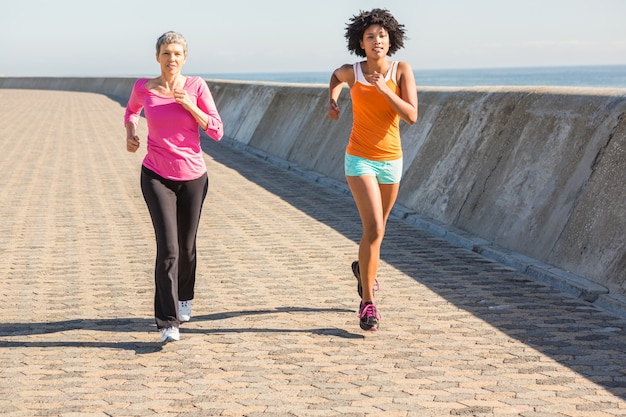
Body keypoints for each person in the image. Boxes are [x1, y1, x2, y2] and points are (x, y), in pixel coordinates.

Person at [124, 31, 224, 343]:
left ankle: (184, 297)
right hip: (156, 174)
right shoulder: (145, 87)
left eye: (178, 53)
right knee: (168, 249)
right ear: (158, 57)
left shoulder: (196, 86)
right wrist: (131, 133)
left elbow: (218, 132)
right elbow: (131, 112)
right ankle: (168, 322)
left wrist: (192, 107)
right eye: (167, 53)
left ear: (185, 58)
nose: (172, 59)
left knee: (187, 247)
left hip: (193, 176)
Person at [328, 9, 418, 331]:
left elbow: (411, 116)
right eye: (370, 36)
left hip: (392, 160)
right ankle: (367, 303)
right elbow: (336, 77)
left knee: (375, 235)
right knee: (375, 229)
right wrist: (333, 100)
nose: (377, 40)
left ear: (390, 39)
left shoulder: (401, 70)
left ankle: (363, 268)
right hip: (359, 159)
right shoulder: (353, 71)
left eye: (382, 35)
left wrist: (385, 91)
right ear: (361, 43)